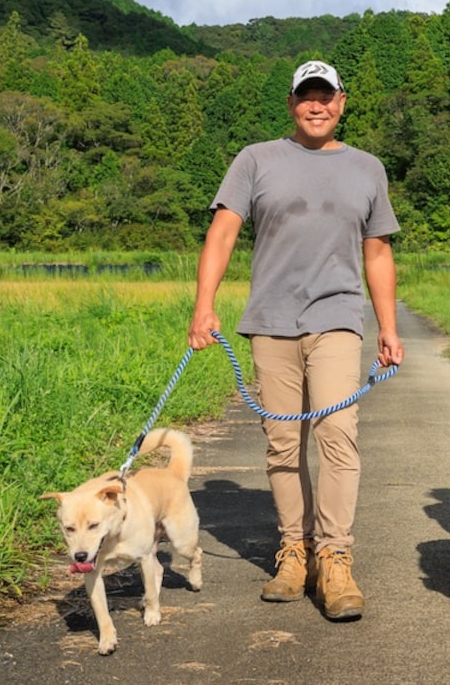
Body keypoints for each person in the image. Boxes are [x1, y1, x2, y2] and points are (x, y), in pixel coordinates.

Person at [188, 59, 404, 622]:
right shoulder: (256, 160)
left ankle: (334, 555)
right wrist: (203, 307)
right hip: (271, 321)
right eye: (306, 96)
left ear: (342, 102)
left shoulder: (367, 168)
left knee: (337, 432)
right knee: (284, 443)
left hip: (336, 317)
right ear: (291, 104)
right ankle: (294, 551)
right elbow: (223, 233)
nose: (316, 105)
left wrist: (388, 327)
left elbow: (377, 252)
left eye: (325, 95)